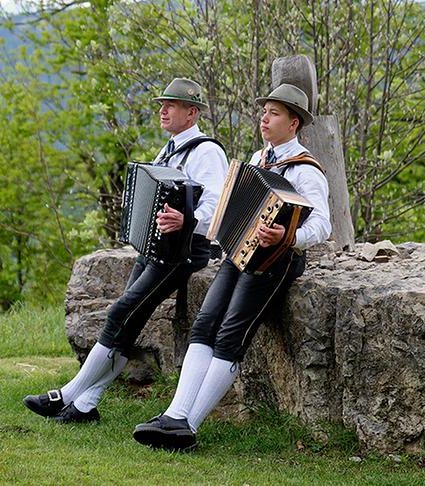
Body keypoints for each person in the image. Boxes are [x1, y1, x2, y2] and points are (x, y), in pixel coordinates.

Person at [133, 83, 331, 450]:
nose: (264, 118)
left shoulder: (306, 169)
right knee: (205, 323)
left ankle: (188, 426)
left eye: (274, 113)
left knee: (230, 334)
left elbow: (322, 225)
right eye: (264, 111)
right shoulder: (258, 159)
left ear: (294, 123)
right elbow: (231, 210)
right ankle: (175, 414)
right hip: (239, 253)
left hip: (276, 261)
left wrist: (287, 238)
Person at [23, 78, 228, 423]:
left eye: (172, 105)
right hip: (156, 248)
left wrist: (187, 220)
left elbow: (218, 205)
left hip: (185, 253)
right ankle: (86, 405)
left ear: (191, 113)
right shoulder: (171, 148)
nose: (163, 110)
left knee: (120, 313)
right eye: (162, 104)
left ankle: (68, 394)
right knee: (126, 325)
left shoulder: (207, 152)